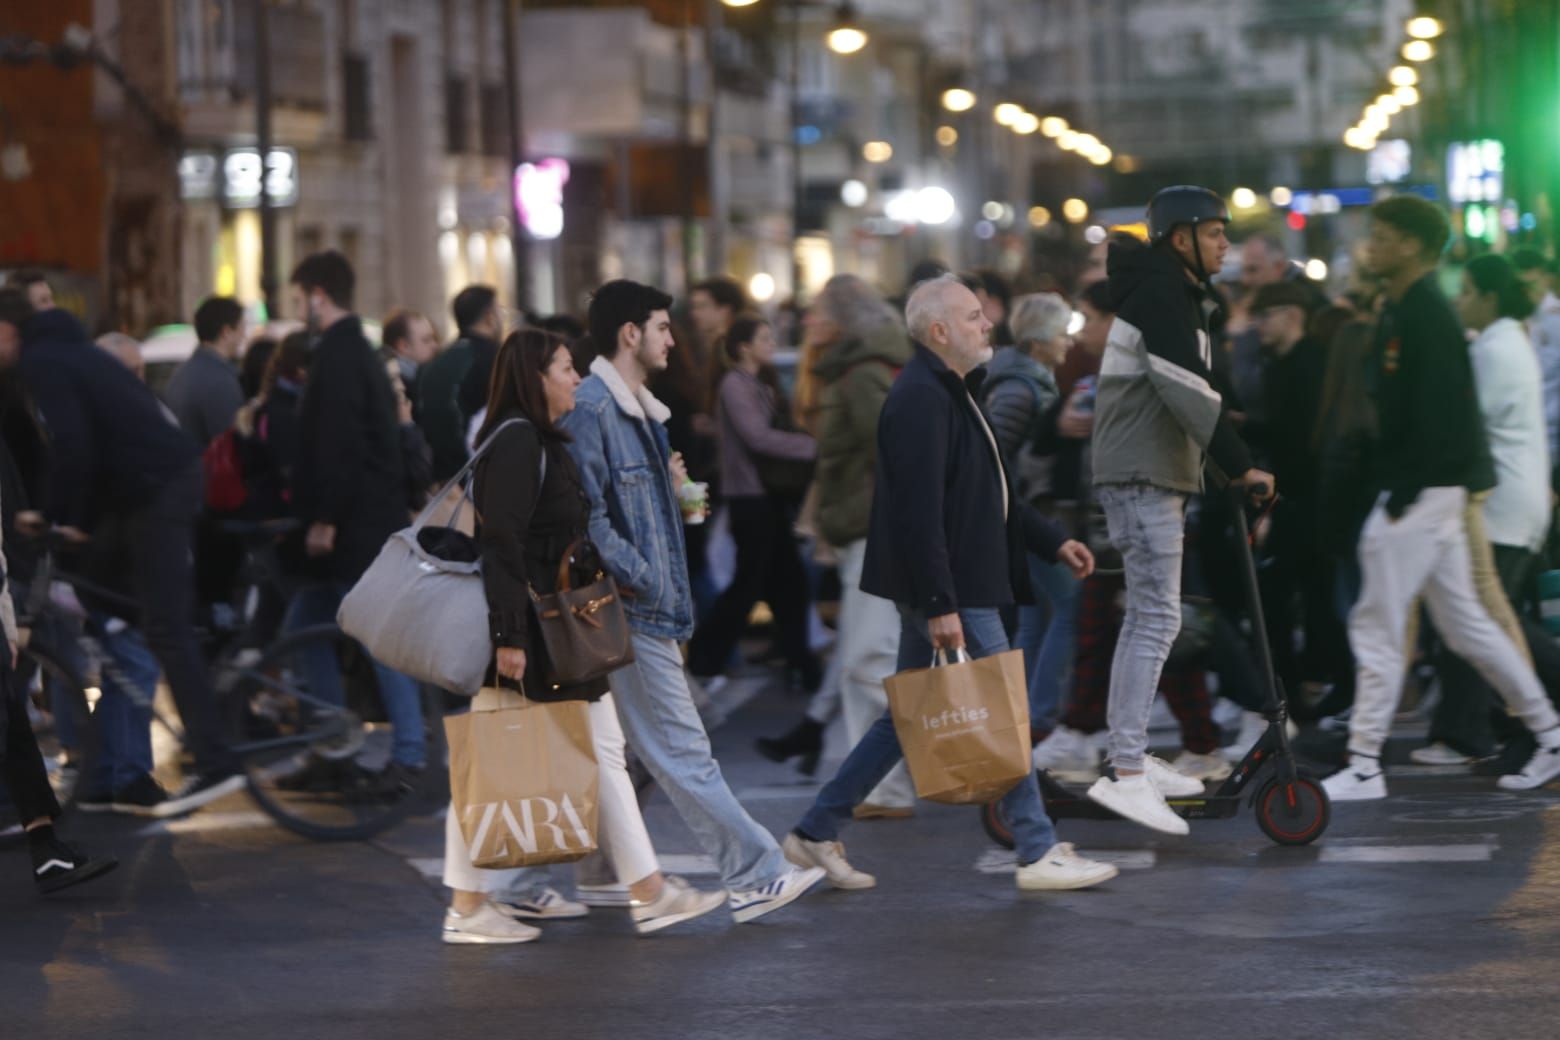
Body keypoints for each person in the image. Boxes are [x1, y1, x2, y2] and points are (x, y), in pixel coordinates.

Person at [784, 274, 1118, 893]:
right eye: (972, 316)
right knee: (1002, 709)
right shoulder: (920, 398)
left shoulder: (952, 388)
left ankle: (813, 831)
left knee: (906, 719)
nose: (987, 323)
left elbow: (985, 491)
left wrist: (1048, 539)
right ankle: (1037, 849)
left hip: (953, 582)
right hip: (952, 587)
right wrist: (941, 603)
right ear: (939, 331)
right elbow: (916, 511)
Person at [442, 328, 727, 943]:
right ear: (535, 378)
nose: (575, 378)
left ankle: (647, 890)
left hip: (560, 631)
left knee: (602, 755)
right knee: (488, 766)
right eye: (566, 368)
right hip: (528, 634)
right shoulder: (518, 442)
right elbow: (501, 546)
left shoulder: (546, 440)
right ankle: (467, 909)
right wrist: (507, 637)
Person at [562, 279, 825, 923]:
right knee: (682, 749)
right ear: (631, 334)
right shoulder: (596, 407)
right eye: (661, 328)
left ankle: (597, 871)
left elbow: (628, 508)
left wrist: (677, 497)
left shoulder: (639, 409)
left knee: (626, 750)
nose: (672, 341)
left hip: (649, 605)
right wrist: (643, 573)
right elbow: (588, 515)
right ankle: (756, 872)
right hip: (632, 608)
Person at [1323, 197, 1560, 801]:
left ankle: (1363, 762)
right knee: (1469, 629)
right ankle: (1551, 735)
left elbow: (1444, 419)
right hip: (1434, 491)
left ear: (1409, 246)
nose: (1369, 245)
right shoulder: (1412, 308)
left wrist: (1402, 494)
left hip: (1423, 491)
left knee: (1377, 622)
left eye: (1379, 235)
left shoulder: (1425, 314)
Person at [6, 290, 247, 814]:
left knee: (165, 628)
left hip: (157, 488)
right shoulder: (65, 353)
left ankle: (215, 759)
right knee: (106, 603)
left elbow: (73, 445)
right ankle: (106, 773)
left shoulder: (44, 361)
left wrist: (56, 515)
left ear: (10, 330)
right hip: (139, 489)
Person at [1086, 187, 1272, 835]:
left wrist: (1225, 465)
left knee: (1151, 618)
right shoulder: (1163, 294)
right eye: (1215, 232)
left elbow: (1191, 390)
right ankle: (1128, 770)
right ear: (1180, 239)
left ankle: (1128, 758)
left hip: (1150, 471)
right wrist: (1240, 462)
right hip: (1141, 475)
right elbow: (1187, 388)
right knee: (1155, 619)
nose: (1227, 243)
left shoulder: (1171, 292)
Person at [756, 275, 915, 815]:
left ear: (843, 320)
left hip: (870, 529)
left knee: (869, 659)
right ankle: (880, 783)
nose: (807, 321)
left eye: (818, 313)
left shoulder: (859, 375)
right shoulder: (858, 370)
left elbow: (894, 446)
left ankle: (885, 787)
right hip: (866, 527)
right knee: (866, 657)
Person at [282, 250, 426, 787]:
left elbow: (339, 446)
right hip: (361, 521)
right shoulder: (355, 351)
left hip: (351, 527)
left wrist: (324, 519)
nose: (298, 310)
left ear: (318, 295)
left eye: (299, 299)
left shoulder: (339, 356)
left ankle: (405, 754)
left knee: (371, 634)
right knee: (308, 624)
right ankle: (334, 744)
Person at [1410, 254, 1554, 766]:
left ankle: (1470, 730)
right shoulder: (1504, 341)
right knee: (1479, 616)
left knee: (1484, 618)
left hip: (1501, 505)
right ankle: (1470, 729)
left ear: (1489, 297)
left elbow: (1466, 424)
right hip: (1509, 502)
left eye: (1466, 291)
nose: (1458, 300)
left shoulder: (1497, 348)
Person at [686, 316, 820, 690]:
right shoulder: (735, 384)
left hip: (765, 495)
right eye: (764, 337)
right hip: (750, 495)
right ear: (744, 347)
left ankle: (802, 663)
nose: (772, 342)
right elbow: (757, 437)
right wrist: (814, 448)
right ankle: (706, 657)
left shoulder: (756, 383)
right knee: (750, 583)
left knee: (787, 581)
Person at [981, 292, 1079, 742]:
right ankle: (1037, 717)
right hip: (1024, 519)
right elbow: (992, 459)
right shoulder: (1021, 388)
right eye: (1062, 334)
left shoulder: (1027, 380)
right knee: (1070, 606)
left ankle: (1019, 716)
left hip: (1019, 518)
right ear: (1040, 341)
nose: (1068, 343)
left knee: (1036, 617)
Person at [1248, 280, 1344, 704]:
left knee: (1312, 592)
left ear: (1292, 316)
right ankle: (1293, 681)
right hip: (1288, 497)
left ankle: (1315, 679)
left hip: (1311, 498)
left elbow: (1302, 438)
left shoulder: (1314, 364)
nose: (1258, 326)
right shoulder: (1276, 365)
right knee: (1285, 592)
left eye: (1265, 316)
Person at [420, 285, 501, 482]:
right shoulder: (496, 358)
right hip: (482, 475)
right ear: (490, 317)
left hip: (441, 479)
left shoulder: (434, 363)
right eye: (500, 311)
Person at [165, 296, 247, 450]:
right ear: (227, 332)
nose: (243, 336)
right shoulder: (220, 381)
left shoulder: (180, 374)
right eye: (241, 328)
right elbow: (232, 444)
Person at [1512, 250, 1560, 463]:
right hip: (1525, 434)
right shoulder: (1515, 319)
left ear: (1544, 277)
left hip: (1551, 435)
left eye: (1531, 284)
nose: (1526, 292)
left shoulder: (1555, 318)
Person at [381, 308, 439, 424]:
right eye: (426, 340)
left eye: (434, 338)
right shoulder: (395, 385)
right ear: (403, 346)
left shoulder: (414, 377)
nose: (435, 345)